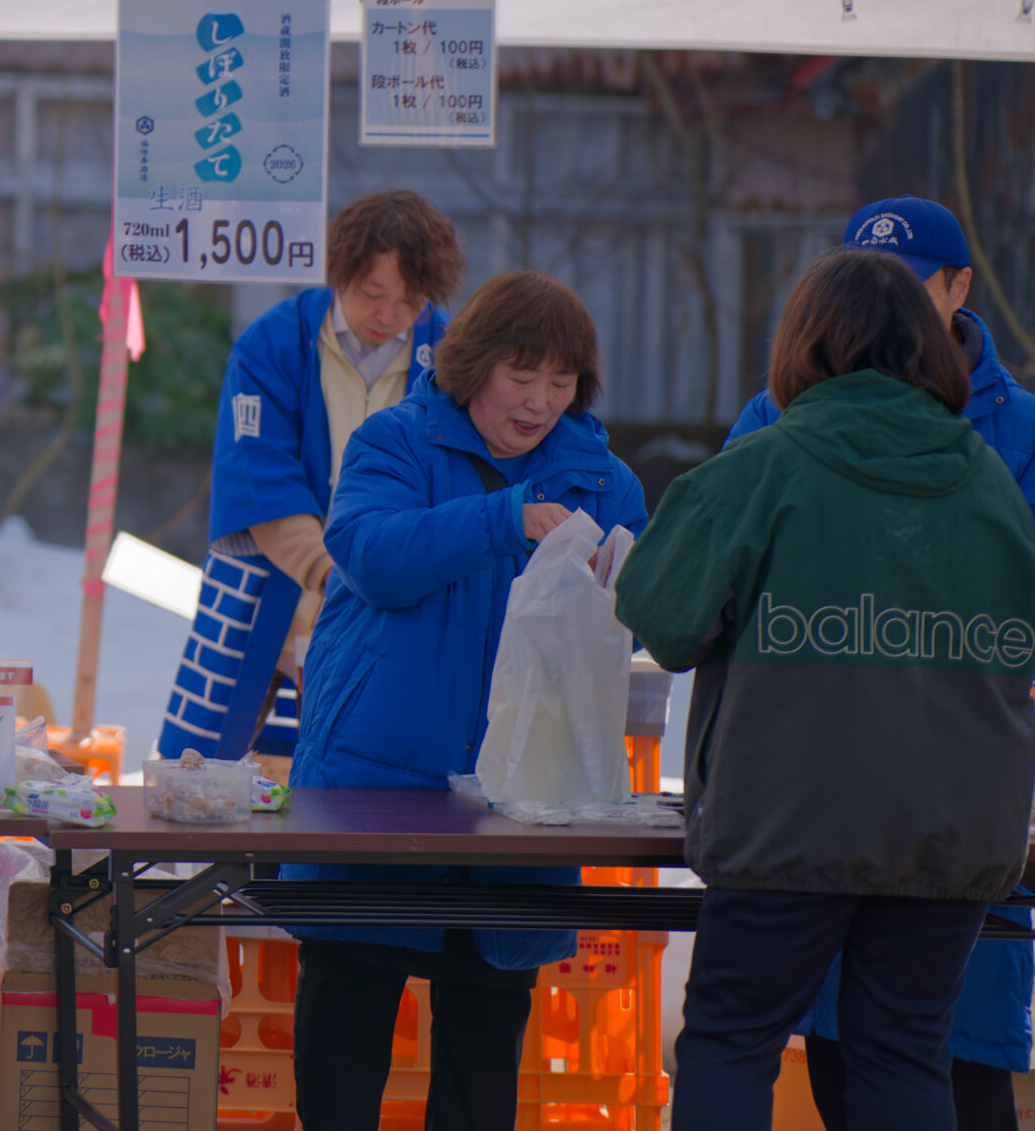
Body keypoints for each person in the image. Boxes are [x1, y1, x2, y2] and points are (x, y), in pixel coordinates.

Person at [619, 249, 1035, 1131]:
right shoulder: (992, 482)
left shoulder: (764, 465)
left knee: (732, 1039)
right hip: (953, 829)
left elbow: (660, 617)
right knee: (907, 1049)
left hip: (786, 820)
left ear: (804, 345)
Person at [288, 271, 647, 1131]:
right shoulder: (393, 443)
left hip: (521, 804)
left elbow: (632, 619)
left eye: (561, 382)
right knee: (345, 1040)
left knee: (483, 1059)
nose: (538, 401)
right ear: (472, 364)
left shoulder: (605, 480)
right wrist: (502, 518)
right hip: (374, 790)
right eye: (521, 375)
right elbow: (373, 556)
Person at [162, 189, 464, 762]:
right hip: (279, 585)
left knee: (375, 767)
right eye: (374, 294)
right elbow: (261, 484)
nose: (389, 316)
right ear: (339, 274)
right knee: (218, 769)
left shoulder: (450, 356)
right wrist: (336, 577)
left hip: (400, 601)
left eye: (409, 301)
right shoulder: (271, 345)